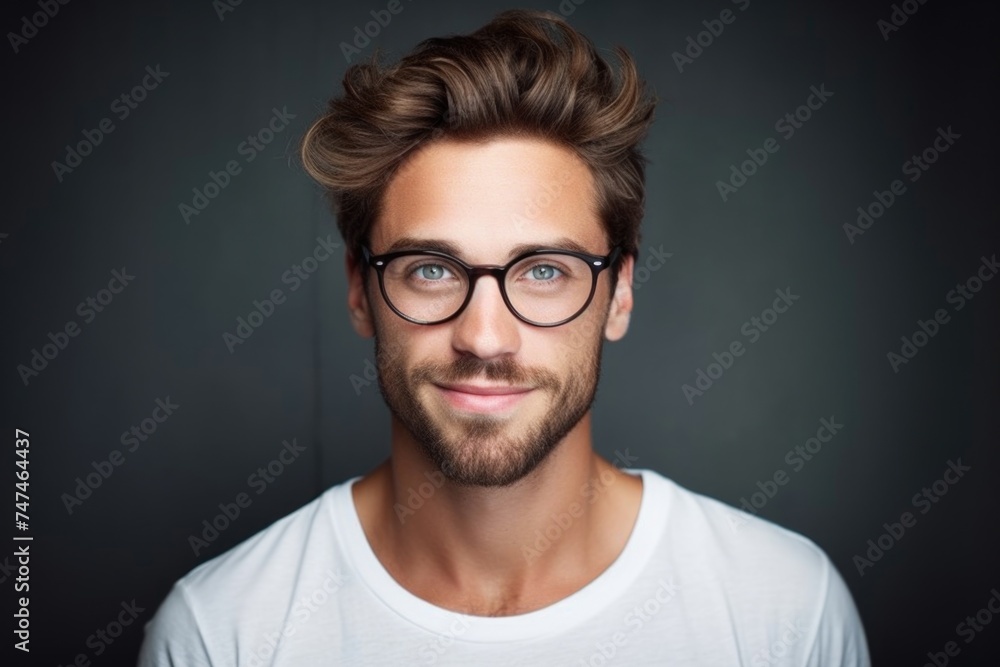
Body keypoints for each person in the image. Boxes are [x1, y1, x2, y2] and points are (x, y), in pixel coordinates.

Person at [139, 9, 870, 665]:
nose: (485, 337)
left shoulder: (784, 611)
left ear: (619, 292)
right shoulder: (222, 631)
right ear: (361, 289)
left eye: (544, 271)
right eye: (431, 268)